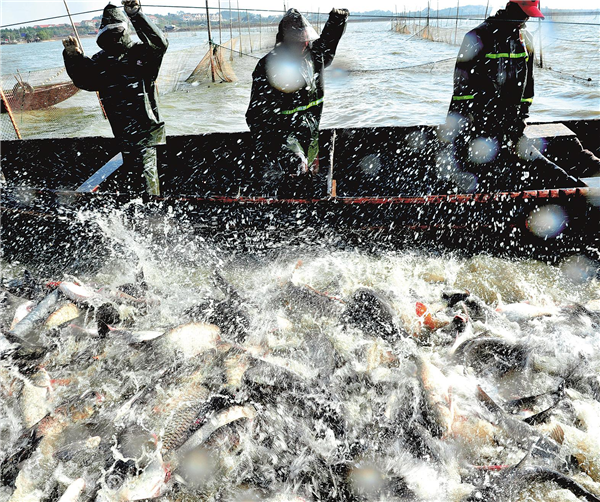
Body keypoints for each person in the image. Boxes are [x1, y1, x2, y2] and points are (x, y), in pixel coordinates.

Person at [441, 0, 586, 193]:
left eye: (528, 15)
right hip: (479, 124)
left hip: (510, 125)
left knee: (541, 168)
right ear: (510, 8)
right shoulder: (478, 37)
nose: (525, 19)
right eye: (523, 13)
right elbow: (461, 91)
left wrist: (521, 118)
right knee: (476, 176)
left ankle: (576, 190)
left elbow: (528, 87)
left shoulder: (525, 39)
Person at [63, 0, 168, 195]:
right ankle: (138, 216)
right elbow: (84, 80)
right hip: (122, 134)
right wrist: (73, 57)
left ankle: (152, 216)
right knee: (132, 180)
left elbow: (159, 43)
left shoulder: (142, 53)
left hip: (146, 132)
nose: (113, 36)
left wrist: (136, 14)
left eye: (115, 31)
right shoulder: (100, 61)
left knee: (146, 178)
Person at [246, 8, 349, 197]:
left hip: (310, 136)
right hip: (282, 140)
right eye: (297, 41)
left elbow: (329, 43)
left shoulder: (315, 57)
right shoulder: (267, 67)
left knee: (308, 176)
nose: (303, 45)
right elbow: (255, 117)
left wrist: (337, 19)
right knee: (293, 172)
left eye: (305, 40)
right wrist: (283, 150)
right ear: (284, 40)